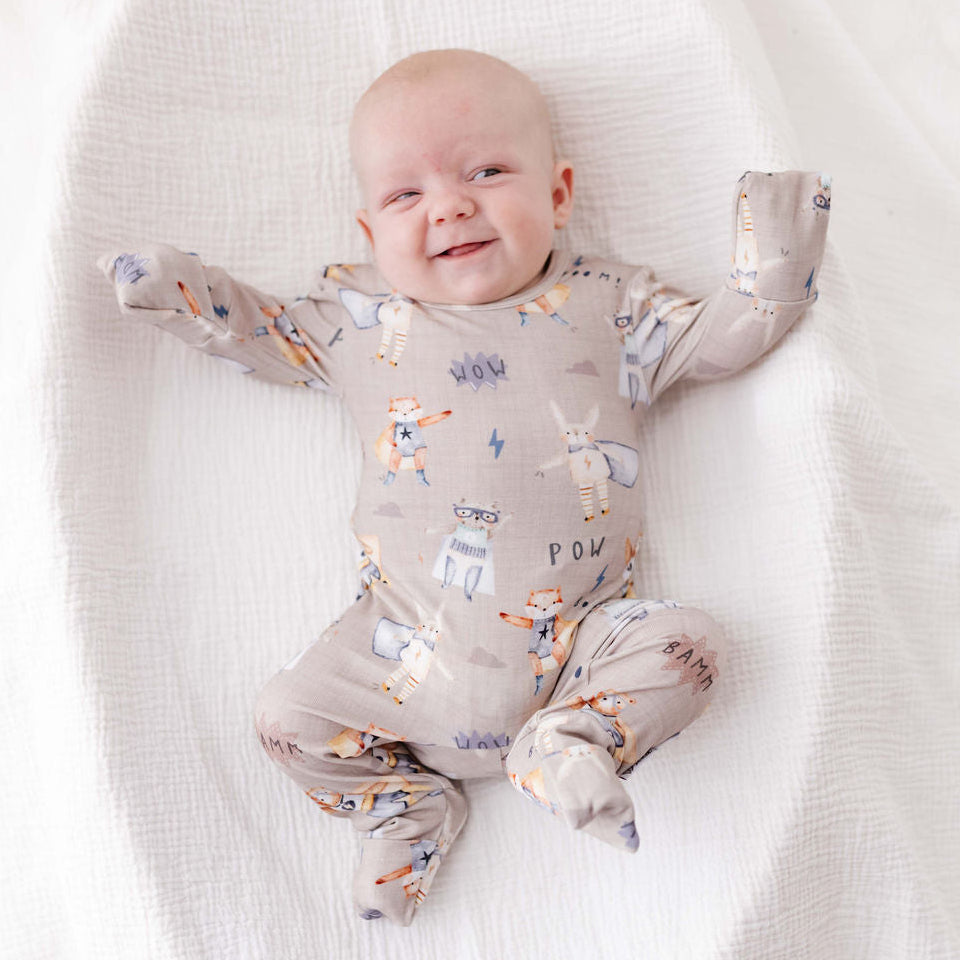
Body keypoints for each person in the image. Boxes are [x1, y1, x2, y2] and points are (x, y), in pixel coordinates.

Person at [99, 48, 831, 925]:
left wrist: (776, 260)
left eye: (486, 172)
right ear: (369, 233)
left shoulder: (610, 303)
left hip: (580, 648)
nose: (449, 204)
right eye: (406, 195)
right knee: (285, 715)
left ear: (559, 195)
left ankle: (568, 741)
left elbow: (721, 339)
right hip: (400, 649)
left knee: (696, 645)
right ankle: (403, 805)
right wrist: (180, 290)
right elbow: (266, 333)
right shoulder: (363, 316)